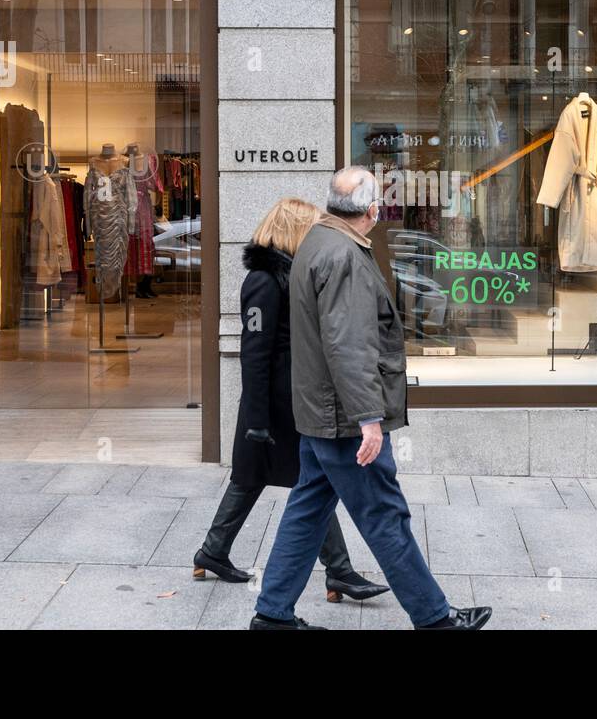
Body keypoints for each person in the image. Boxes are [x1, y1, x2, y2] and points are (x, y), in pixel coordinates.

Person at [250, 167, 492, 630]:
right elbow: (349, 345)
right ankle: (435, 618)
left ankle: (272, 615)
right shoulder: (343, 255)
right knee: (384, 513)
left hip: (321, 411)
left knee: (308, 507)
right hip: (342, 416)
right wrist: (368, 418)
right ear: (373, 210)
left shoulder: (318, 242)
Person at [194, 197, 390, 603]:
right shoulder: (264, 281)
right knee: (310, 481)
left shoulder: (287, 276)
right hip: (277, 405)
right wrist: (257, 418)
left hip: (287, 399)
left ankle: (213, 551)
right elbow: (254, 352)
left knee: (260, 480)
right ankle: (339, 572)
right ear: (294, 230)